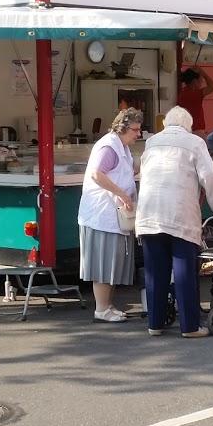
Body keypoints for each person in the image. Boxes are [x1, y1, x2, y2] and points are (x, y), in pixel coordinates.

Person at [136, 106, 213, 339]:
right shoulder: (195, 143)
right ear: (187, 125)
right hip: (180, 213)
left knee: (155, 272)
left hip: (149, 213)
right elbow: (209, 179)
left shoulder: (151, 143)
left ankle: (155, 323)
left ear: (165, 124)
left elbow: (144, 175)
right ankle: (190, 326)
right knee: (183, 271)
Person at [77, 108, 143, 322]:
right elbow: (97, 174)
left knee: (112, 262)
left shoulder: (121, 147)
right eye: (135, 129)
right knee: (104, 263)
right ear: (123, 128)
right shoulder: (109, 146)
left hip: (112, 214)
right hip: (101, 214)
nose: (138, 134)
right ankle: (102, 309)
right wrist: (123, 194)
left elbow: (128, 170)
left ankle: (108, 306)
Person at [177, 66, 213, 133]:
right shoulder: (195, 94)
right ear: (195, 81)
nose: (202, 82)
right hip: (196, 131)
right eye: (201, 80)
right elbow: (212, 86)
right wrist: (203, 72)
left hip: (185, 130)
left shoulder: (182, 93)